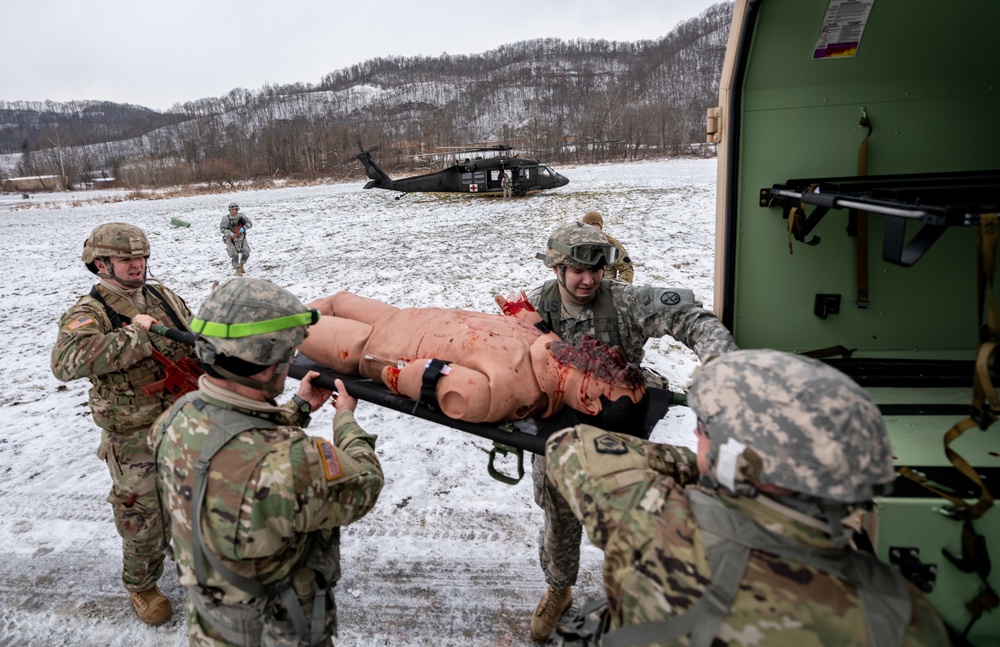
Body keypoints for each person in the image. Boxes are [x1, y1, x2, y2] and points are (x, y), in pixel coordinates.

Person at [545, 349, 951, 646]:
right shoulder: (908, 617)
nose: (696, 435)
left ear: (737, 456)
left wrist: (706, 467)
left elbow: (569, 448)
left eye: (705, 428)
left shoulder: (663, 527)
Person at [525, 220, 738, 642]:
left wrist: (716, 361)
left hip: (618, 429)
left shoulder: (626, 302)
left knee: (628, 524)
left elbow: (694, 320)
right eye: (577, 271)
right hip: (556, 430)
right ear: (556, 270)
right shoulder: (534, 307)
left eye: (596, 271)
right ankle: (559, 589)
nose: (588, 280)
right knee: (559, 519)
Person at [149, 277, 384, 646]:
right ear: (265, 362)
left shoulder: (176, 418)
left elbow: (234, 446)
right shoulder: (292, 462)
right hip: (278, 632)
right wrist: (346, 421)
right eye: (289, 354)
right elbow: (365, 482)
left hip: (211, 625)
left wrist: (300, 407)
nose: (290, 360)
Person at [51, 222, 197, 626]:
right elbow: (65, 364)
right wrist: (136, 337)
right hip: (133, 434)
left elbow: (192, 333)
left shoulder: (161, 294)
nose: (137, 266)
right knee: (143, 516)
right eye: (127, 259)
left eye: (141, 257)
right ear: (101, 264)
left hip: (184, 418)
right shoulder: (89, 311)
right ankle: (143, 586)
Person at [298, 290, 646, 424]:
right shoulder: (554, 349)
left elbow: (433, 382)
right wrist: (523, 315)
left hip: (368, 344)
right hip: (404, 316)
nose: (603, 354)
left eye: (607, 370)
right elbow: (539, 331)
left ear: (588, 401)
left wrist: (395, 375)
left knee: (291, 324)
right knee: (337, 298)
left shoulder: (504, 393)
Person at [581, 210, 634, 283]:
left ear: (600, 226)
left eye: (594, 224)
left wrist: (619, 289)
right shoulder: (577, 245)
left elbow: (627, 268)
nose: (591, 227)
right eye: (587, 224)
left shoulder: (611, 244)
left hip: (605, 289)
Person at [220, 202, 252, 276]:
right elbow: (222, 229)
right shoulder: (226, 218)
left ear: (236, 209)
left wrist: (243, 228)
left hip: (241, 238)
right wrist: (229, 233)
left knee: (246, 253)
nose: (231, 211)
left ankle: (241, 265)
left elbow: (249, 224)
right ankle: (237, 269)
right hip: (230, 239)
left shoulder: (242, 217)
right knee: (234, 255)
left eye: (233, 209)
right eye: (230, 209)